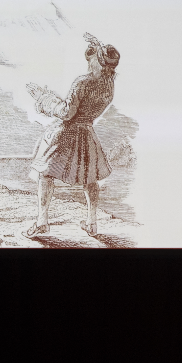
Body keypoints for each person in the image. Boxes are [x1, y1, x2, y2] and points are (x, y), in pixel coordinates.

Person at [23, 33, 121, 238]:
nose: (89, 59)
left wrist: (43, 98)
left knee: (46, 174)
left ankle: (42, 221)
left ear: (99, 61)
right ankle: (92, 223)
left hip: (67, 133)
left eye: (92, 56)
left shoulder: (82, 82)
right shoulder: (108, 87)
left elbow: (67, 113)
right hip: (87, 133)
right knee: (91, 179)